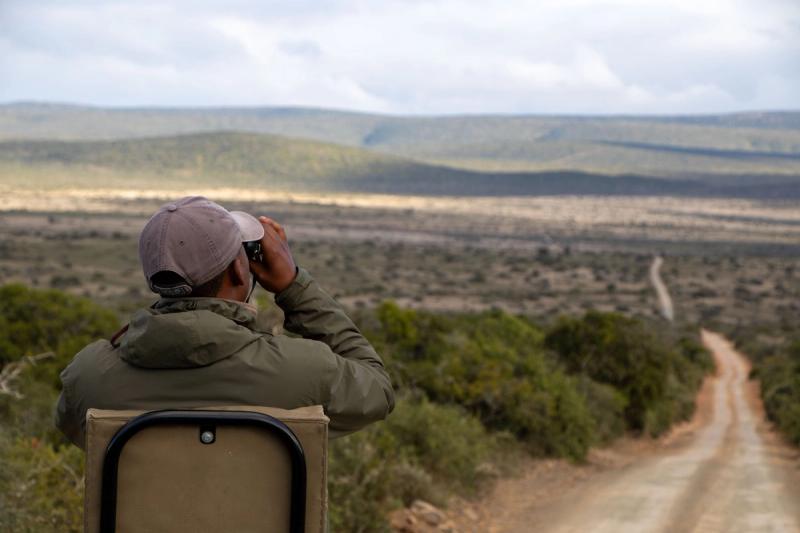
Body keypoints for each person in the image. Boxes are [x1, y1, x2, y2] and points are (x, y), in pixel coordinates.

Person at [55, 196, 395, 448]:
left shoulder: (89, 378)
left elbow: (72, 430)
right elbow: (377, 388)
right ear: (238, 269)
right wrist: (294, 287)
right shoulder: (301, 372)